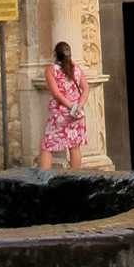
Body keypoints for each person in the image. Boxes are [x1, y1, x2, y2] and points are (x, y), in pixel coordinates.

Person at [38, 41, 88, 171]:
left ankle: (44, 178)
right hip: (77, 114)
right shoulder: (77, 68)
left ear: (55, 54)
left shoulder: (51, 70)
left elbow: (56, 93)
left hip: (60, 113)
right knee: (75, 145)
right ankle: (75, 178)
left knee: (47, 146)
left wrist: (70, 106)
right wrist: (79, 106)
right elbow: (86, 89)